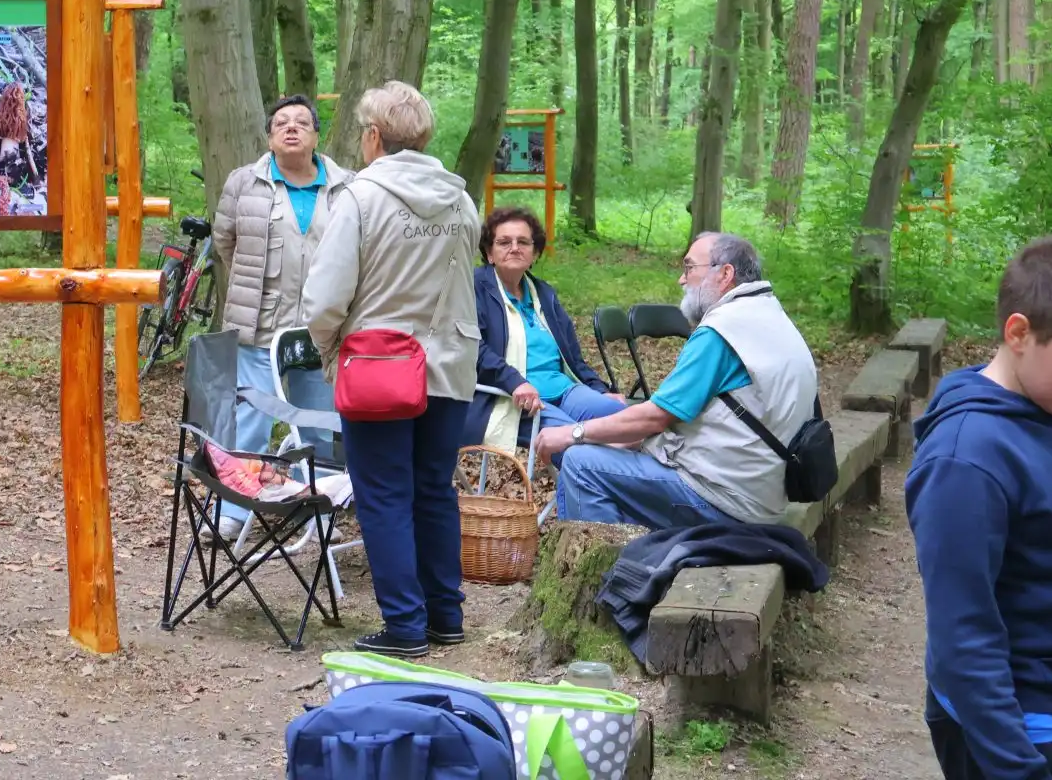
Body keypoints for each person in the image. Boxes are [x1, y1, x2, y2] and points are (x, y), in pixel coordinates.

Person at [906, 234, 1052, 780]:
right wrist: (1017, 769)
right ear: (1019, 333)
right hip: (1024, 731)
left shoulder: (1051, 408)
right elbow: (962, 638)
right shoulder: (966, 460)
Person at [303, 80, 481, 659]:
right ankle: (444, 616)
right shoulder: (460, 200)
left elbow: (325, 298)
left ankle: (404, 626)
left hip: (379, 365)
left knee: (382, 494)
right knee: (434, 490)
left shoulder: (359, 198)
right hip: (450, 364)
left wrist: (331, 349)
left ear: (374, 137)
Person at [532, 232, 818, 530]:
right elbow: (675, 419)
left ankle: (610, 573)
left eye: (689, 267)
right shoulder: (769, 316)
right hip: (761, 491)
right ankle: (633, 555)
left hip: (727, 501)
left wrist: (573, 433)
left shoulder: (722, 332)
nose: (682, 280)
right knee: (609, 457)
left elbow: (656, 416)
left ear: (725, 274)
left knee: (580, 465)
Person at [211, 94, 353, 541]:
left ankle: (321, 509)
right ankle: (234, 510)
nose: (291, 129)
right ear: (270, 137)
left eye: (301, 123)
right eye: (281, 123)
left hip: (322, 329)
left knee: (319, 421)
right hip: (259, 324)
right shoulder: (243, 183)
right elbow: (225, 241)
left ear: (316, 135)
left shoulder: (346, 187)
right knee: (250, 419)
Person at [468, 206, 627, 450]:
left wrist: (600, 390)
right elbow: (472, 348)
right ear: (489, 252)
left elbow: (573, 357)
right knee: (576, 444)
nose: (514, 248)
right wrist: (514, 382)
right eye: (504, 242)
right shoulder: (475, 288)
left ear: (534, 253)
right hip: (512, 398)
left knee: (626, 420)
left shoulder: (544, 293)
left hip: (564, 389)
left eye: (523, 242)